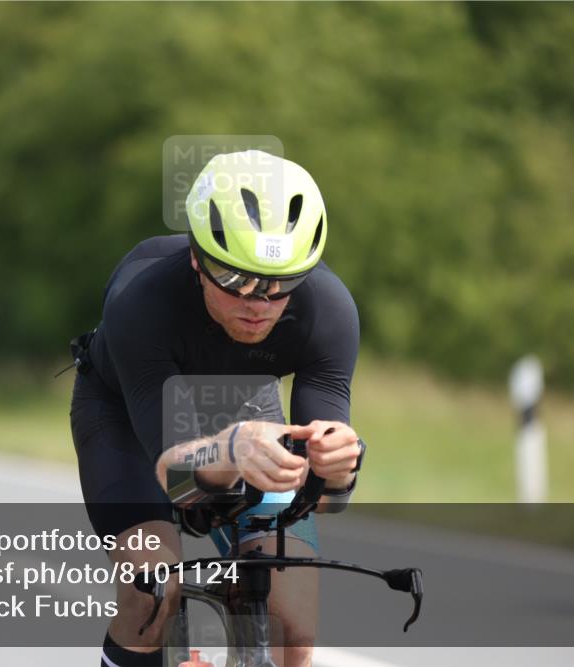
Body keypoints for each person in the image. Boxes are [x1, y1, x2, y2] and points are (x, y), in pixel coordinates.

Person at [70, 150, 362, 667]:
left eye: (281, 286)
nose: (257, 303)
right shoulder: (140, 299)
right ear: (196, 259)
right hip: (129, 421)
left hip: (245, 412)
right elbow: (175, 479)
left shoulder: (328, 311)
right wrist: (231, 450)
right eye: (236, 280)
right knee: (152, 593)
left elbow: (324, 502)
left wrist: (338, 472)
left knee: (293, 622)